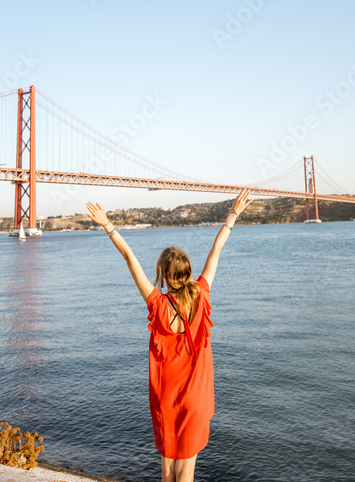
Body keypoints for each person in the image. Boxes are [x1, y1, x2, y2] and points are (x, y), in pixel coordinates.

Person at [85, 189, 254, 482]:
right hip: (195, 397)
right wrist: (234, 213)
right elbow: (217, 249)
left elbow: (129, 257)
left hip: (165, 397)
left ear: (163, 274)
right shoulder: (201, 293)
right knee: (186, 469)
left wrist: (107, 224)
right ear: (187, 271)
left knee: (168, 469)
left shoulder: (157, 303)